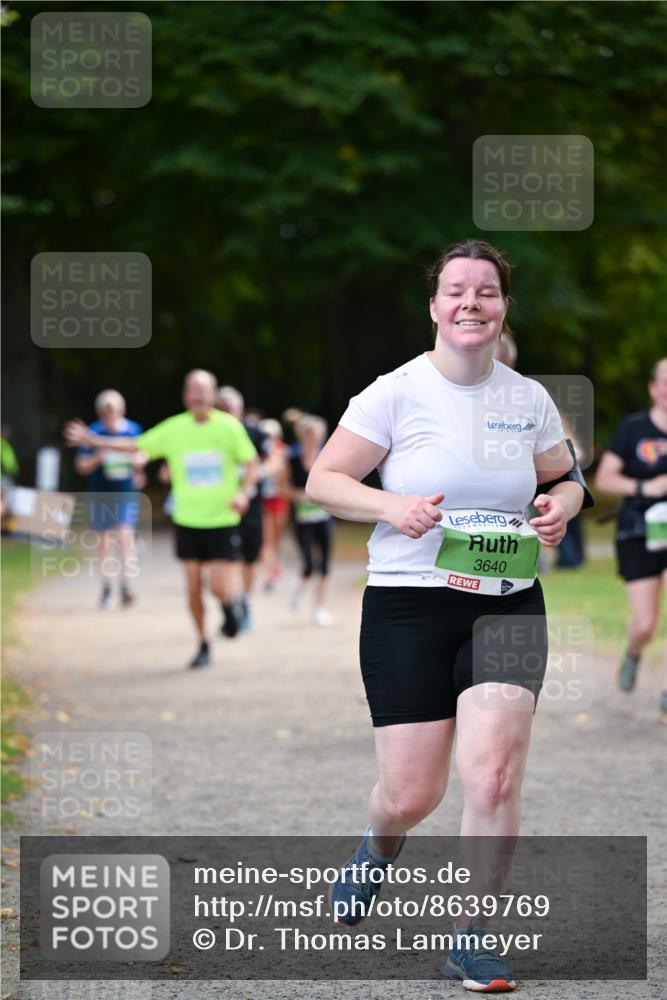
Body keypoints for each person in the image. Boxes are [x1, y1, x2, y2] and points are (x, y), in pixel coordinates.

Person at [306, 239, 590, 992]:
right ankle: (378, 841)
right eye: (456, 291)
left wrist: (557, 510)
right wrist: (390, 504)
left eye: (486, 292)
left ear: (502, 307)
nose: (471, 303)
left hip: (505, 603)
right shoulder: (392, 393)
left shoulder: (525, 397)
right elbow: (323, 480)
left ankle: (471, 936)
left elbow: (568, 480)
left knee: (491, 775)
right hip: (408, 606)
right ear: (434, 306)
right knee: (412, 793)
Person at [65, 370, 257, 669]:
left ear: (212, 395)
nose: (197, 395)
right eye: (192, 389)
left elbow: (251, 462)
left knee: (217, 586)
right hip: (187, 519)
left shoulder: (230, 427)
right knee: (193, 587)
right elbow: (136, 445)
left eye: (203, 389)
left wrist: (244, 493)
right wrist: (94, 438)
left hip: (222, 518)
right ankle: (203, 643)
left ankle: (229, 606)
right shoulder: (174, 428)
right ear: (184, 396)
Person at [594, 358, 667, 719]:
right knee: (646, 623)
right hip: (639, 532)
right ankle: (634, 650)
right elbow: (605, 479)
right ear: (653, 387)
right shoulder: (633, 428)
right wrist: (645, 486)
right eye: (665, 381)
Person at [74, 390, 144, 608]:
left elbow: (144, 453)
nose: (110, 413)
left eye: (113, 409)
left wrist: (138, 464)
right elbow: (81, 466)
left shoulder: (133, 430)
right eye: (105, 410)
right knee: (104, 541)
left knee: (124, 535)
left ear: (121, 409)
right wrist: (97, 457)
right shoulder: (92, 433)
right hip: (100, 493)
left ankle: (125, 585)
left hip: (125, 493)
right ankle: (106, 586)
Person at [216, 386, 267, 631]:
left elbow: (276, 458)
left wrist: (256, 474)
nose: (225, 412)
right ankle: (231, 603)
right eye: (221, 407)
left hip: (251, 507)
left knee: (249, 558)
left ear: (241, 410)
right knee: (226, 558)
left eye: (229, 408)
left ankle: (244, 599)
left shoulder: (255, 433)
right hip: (222, 508)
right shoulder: (210, 434)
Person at [288, 414, 334, 627]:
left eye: (317, 434)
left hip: (323, 517)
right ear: (302, 435)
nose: (313, 438)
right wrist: (297, 494)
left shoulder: (328, 458)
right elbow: (281, 487)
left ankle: (319, 608)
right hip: (302, 518)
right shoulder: (292, 459)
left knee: (325, 564)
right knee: (308, 562)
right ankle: (299, 586)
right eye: (309, 434)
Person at [258, 418, 290, 591]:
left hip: (279, 498)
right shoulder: (259, 452)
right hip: (265, 500)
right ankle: (269, 572)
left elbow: (284, 474)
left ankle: (276, 565)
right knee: (267, 538)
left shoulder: (282, 451)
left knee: (277, 537)